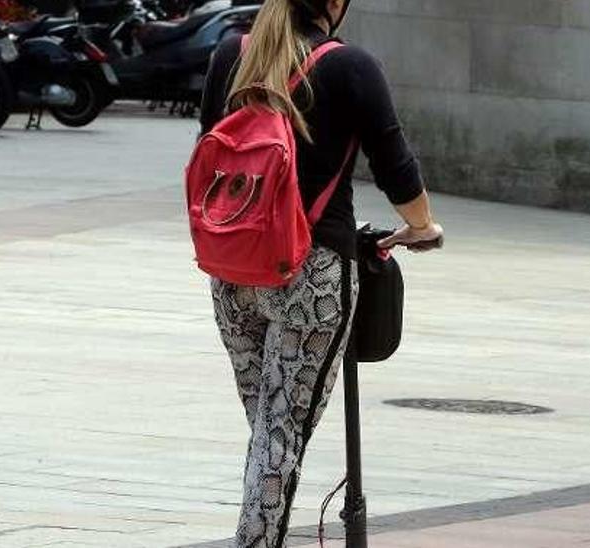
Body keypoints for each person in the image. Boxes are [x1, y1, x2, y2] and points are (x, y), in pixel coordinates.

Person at [197, 0, 443, 546]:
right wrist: (424, 228)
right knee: (279, 436)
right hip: (312, 274)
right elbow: (397, 171)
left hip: (233, 271)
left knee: (268, 431)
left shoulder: (231, 55)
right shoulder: (349, 66)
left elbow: (206, 152)